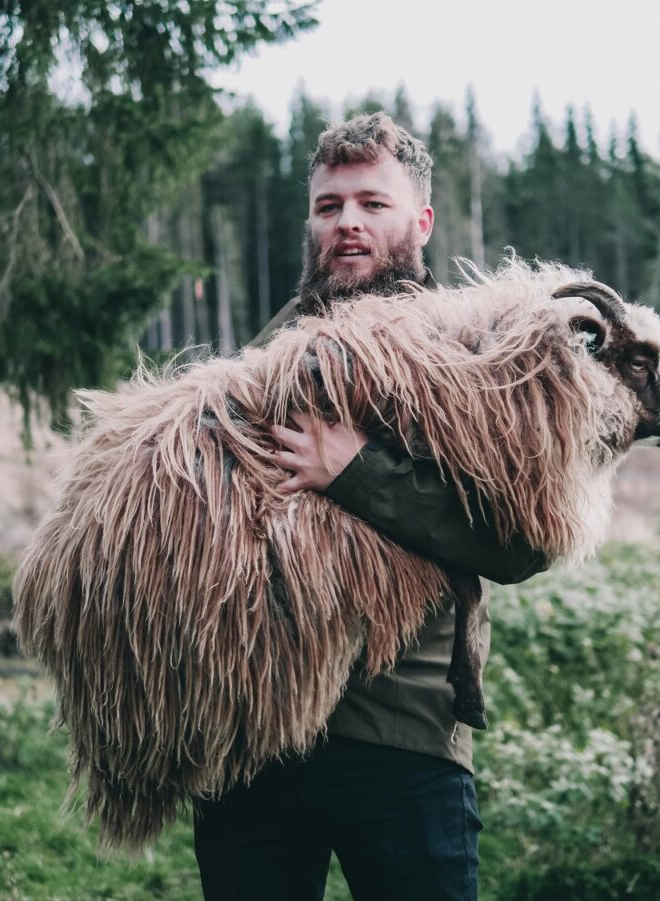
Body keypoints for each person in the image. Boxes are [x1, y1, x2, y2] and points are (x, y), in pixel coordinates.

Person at [193, 112, 546, 901]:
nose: (347, 222)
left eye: (371, 203)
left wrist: (353, 470)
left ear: (420, 219)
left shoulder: (476, 351)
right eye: (329, 205)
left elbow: (521, 539)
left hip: (399, 735)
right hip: (255, 733)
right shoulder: (270, 347)